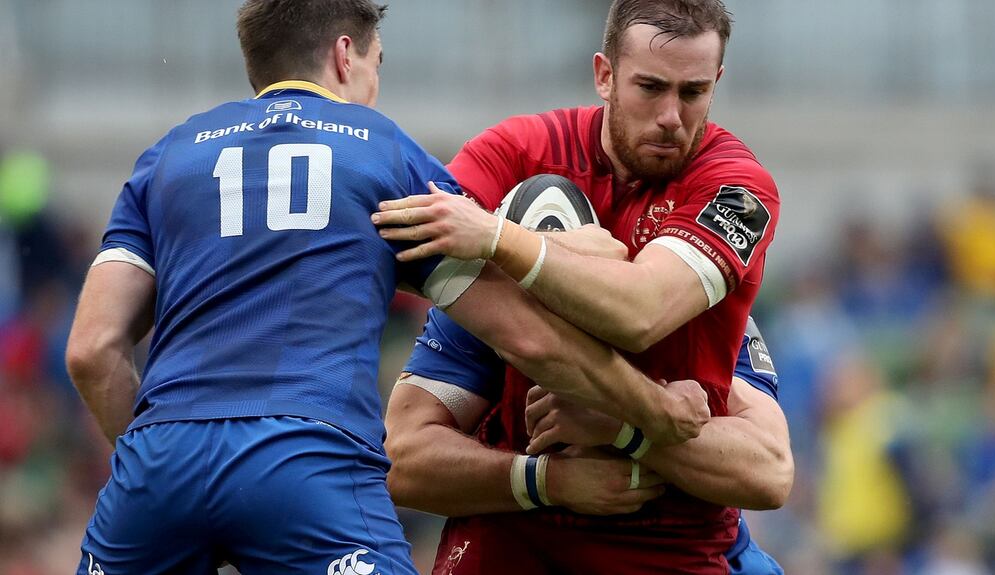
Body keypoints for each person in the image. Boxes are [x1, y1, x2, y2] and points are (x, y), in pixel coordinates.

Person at [64, 1, 713, 573]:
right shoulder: (379, 152)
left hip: (157, 465)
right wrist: (652, 413)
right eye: (377, 63)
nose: (375, 83)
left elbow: (92, 351)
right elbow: (527, 335)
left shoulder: (167, 157)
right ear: (346, 56)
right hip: (306, 466)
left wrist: (170, 468)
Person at [372, 0, 782, 572]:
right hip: (512, 538)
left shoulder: (735, 191)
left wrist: (500, 239)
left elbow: (641, 313)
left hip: (671, 548)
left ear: (717, 82)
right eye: (650, 88)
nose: (670, 115)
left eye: (692, 93)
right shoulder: (517, 152)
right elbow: (402, 457)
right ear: (605, 76)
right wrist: (545, 480)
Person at [388, 307, 790, 575]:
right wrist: (546, 481)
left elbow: (769, 471)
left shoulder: (695, 300)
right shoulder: (481, 298)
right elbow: (402, 459)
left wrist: (623, 424)